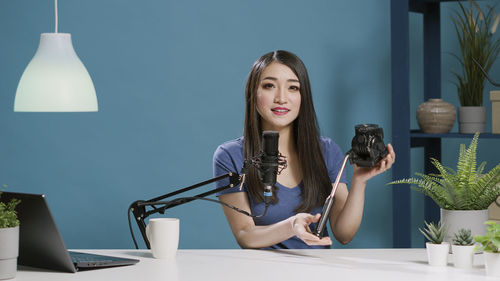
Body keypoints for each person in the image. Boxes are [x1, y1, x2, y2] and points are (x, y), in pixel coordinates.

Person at [212, 50, 395, 249]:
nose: (281, 98)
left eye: (293, 88)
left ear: (303, 95)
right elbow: (245, 235)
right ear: (251, 91)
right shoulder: (230, 156)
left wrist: (360, 180)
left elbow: (344, 234)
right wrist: (292, 226)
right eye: (269, 86)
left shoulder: (327, 151)